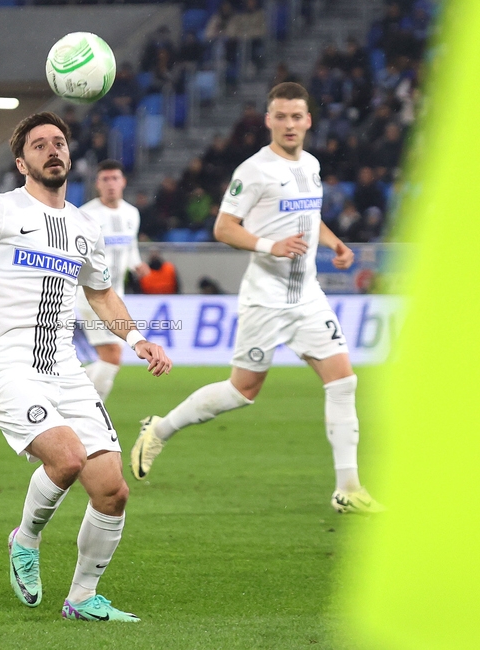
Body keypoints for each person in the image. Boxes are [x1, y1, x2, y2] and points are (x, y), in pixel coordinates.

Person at [0, 112, 172, 623]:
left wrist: (138, 338)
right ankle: (26, 538)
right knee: (65, 458)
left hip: (65, 368)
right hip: (9, 367)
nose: (53, 150)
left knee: (112, 490)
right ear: (22, 162)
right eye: (40, 145)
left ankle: (82, 598)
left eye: (59, 142)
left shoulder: (86, 227)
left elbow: (102, 294)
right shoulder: (0, 210)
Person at [131, 83, 384, 515]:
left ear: (308, 120)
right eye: (281, 116)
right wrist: (271, 246)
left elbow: (309, 215)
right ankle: (160, 428)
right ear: (268, 120)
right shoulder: (253, 170)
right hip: (265, 299)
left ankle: (348, 488)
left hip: (307, 296)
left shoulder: (312, 165)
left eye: (296, 116)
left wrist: (337, 245)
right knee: (242, 391)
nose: (289, 124)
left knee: (343, 382)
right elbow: (224, 228)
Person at [75, 160, 150, 404]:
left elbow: (130, 247)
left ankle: (69, 396)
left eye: (114, 178)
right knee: (112, 355)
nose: (110, 184)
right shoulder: (86, 215)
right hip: (92, 295)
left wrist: (136, 264)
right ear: (97, 184)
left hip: (117, 295)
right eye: (105, 179)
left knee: (112, 358)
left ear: (123, 182)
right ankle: (90, 410)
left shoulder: (132, 213)